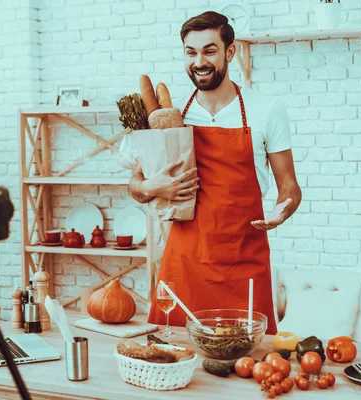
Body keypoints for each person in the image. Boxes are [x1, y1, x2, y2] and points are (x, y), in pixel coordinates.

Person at [129, 11, 301, 334]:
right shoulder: (173, 115)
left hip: (244, 266)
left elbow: (290, 187)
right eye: (190, 52)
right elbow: (135, 186)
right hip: (185, 266)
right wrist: (154, 186)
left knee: (251, 370)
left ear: (230, 52)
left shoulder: (266, 109)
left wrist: (282, 210)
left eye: (209, 50)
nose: (199, 62)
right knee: (173, 366)